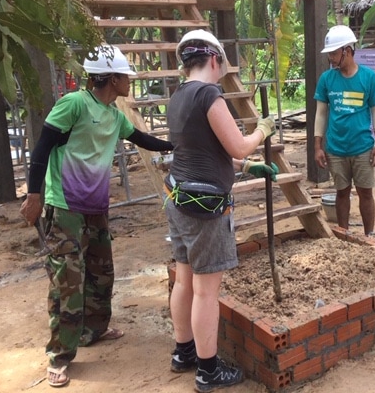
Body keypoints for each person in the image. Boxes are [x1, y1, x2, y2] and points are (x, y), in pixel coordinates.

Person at [19, 45, 174, 387]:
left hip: (97, 209)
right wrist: (34, 195)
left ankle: (94, 330)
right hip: (66, 208)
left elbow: (142, 139)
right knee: (67, 282)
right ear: (112, 78)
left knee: (102, 274)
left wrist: (175, 145)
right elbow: (42, 148)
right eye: (126, 76)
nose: (130, 81)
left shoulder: (113, 114)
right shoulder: (75, 105)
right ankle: (59, 356)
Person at [165, 29, 276, 392]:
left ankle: (184, 352)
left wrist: (244, 169)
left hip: (179, 198)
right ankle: (208, 370)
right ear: (215, 60)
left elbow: (202, 150)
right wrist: (261, 131)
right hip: (206, 207)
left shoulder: (178, 96)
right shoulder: (210, 94)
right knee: (205, 291)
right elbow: (240, 145)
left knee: (184, 280)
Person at [314, 25, 375, 238]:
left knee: (365, 192)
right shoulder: (327, 79)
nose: (332, 59)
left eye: (335, 53)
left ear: (348, 50)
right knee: (341, 192)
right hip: (336, 147)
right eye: (330, 54)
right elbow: (321, 114)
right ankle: (343, 234)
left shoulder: (368, 78)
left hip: (363, 147)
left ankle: (369, 235)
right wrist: (318, 146)